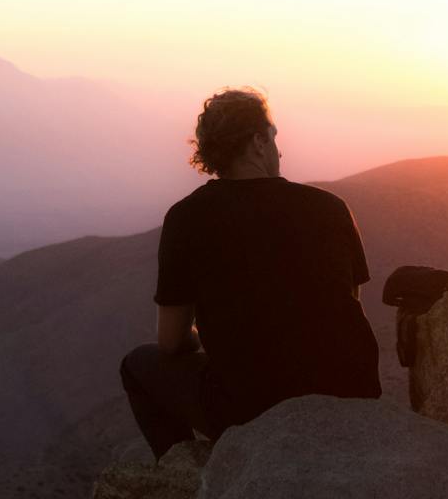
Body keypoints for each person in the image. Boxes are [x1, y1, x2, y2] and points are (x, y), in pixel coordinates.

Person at [119, 88, 380, 459]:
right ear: (258, 143)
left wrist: (203, 340)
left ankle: (186, 475)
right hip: (353, 392)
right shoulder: (330, 208)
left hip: (252, 408)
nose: (279, 149)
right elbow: (347, 307)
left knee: (136, 367)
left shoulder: (187, 218)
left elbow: (170, 342)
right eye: (274, 138)